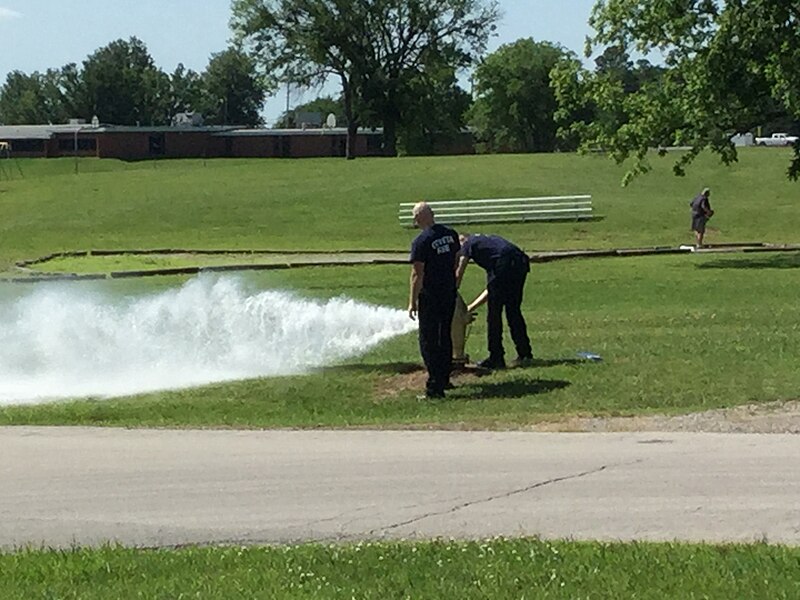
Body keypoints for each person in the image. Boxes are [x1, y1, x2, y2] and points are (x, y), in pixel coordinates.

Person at [456, 233, 533, 369]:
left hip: (504, 263)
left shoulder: (468, 244)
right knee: (513, 311)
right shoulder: (489, 242)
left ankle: (496, 357)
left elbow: (460, 271)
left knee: (494, 315)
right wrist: (470, 307)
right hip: (519, 261)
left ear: (462, 241)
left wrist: (452, 292)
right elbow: (492, 289)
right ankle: (525, 353)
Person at [408, 202, 460, 399]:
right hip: (448, 291)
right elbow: (456, 259)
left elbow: (417, 274)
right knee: (444, 335)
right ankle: (445, 377)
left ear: (418, 219)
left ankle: (434, 387)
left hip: (430, 295)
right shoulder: (451, 234)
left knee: (429, 340)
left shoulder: (421, 241)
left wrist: (412, 301)